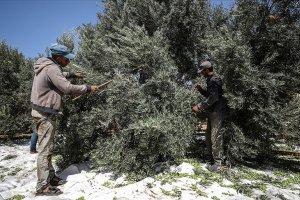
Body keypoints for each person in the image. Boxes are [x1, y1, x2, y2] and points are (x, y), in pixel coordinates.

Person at [31, 43, 99, 195]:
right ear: (59, 57)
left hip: (41, 111)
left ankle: (50, 177)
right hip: (44, 113)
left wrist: (73, 74)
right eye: (66, 59)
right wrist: (88, 88)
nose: (68, 61)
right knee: (45, 150)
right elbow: (67, 88)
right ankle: (42, 186)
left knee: (48, 147)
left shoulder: (47, 65)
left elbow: (59, 76)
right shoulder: (52, 68)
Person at [192, 61, 225, 172]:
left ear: (207, 70)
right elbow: (210, 95)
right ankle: (211, 160)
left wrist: (199, 106)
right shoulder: (210, 80)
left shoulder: (214, 80)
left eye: (202, 71)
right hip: (212, 112)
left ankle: (218, 163)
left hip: (217, 112)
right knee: (208, 137)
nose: (202, 74)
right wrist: (201, 89)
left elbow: (214, 97)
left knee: (215, 137)